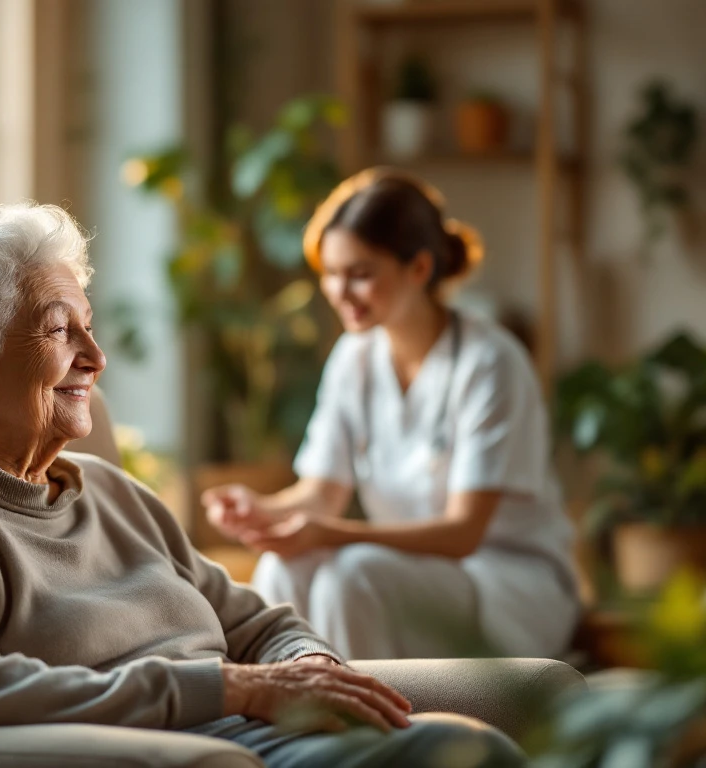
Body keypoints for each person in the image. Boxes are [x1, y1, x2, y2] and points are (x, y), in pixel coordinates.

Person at [0, 200, 525, 767]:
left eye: (90, 325)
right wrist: (230, 690)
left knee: (478, 748)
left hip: (271, 737)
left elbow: (262, 625)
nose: (96, 356)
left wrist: (312, 675)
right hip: (186, 751)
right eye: (59, 330)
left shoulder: (112, 493)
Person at [203, 169, 581, 661]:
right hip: (410, 570)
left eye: (359, 273)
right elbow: (321, 495)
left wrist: (329, 534)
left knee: (353, 574)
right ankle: (296, 721)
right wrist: (261, 509)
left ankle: (367, 731)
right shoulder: (353, 358)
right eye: (329, 273)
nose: (339, 291)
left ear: (420, 268)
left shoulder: (491, 361)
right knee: (280, 568)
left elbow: (463, 531)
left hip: (507, 582)